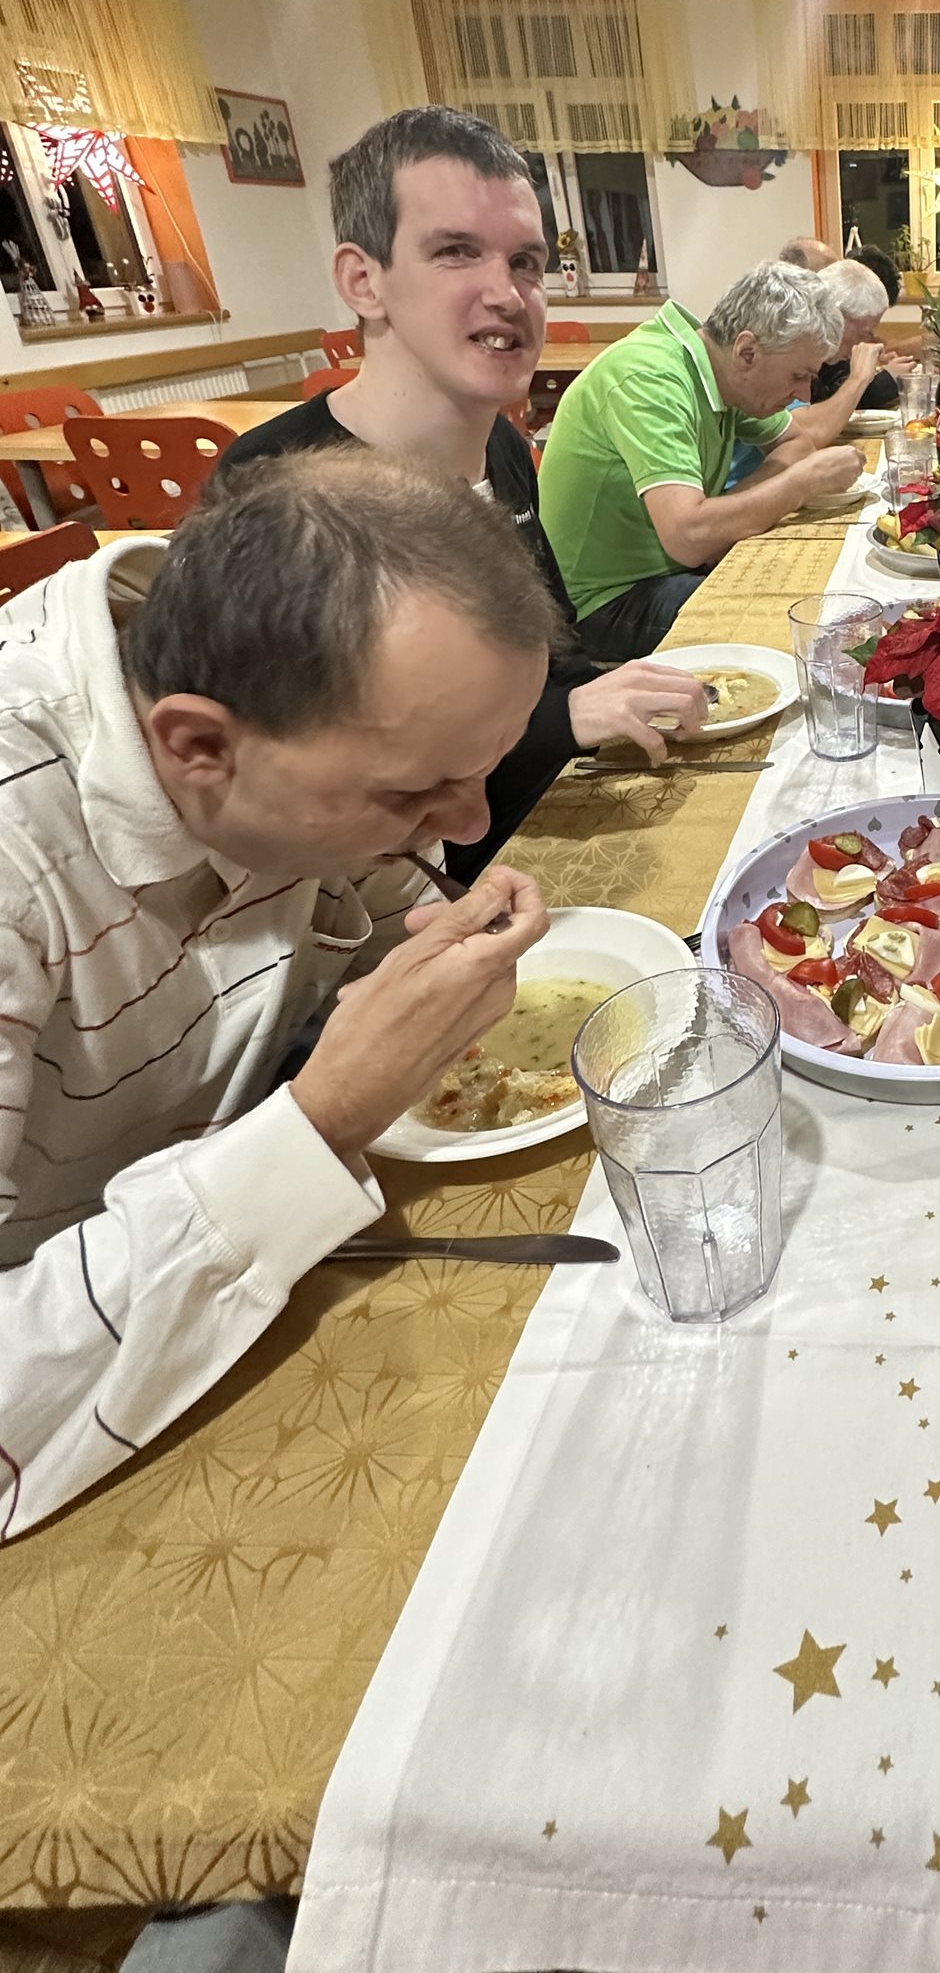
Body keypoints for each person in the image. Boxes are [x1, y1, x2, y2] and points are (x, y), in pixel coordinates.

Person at [0, 455, 556, 1540]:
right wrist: (321, 1121)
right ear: (198, 746)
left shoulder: (284, 713)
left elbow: (391, 915)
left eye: (481, 769)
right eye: (418, 791)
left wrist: (442, 941)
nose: (472, 825)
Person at [227, 108, 709, 879]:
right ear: (363, 281)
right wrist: (565, 719)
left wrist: (606, 693)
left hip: (541, 822)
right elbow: (299, 790)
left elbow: (551, 661)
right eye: (456, 252)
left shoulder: (505, 449)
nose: (508, 293)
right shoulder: (274, 484)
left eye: (526, 262)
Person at [539, 262, 861, 660]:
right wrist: (801, 484)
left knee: (810, 590)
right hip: (596, 605)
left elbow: (796, 444)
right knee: (788, 623)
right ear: (747, 352)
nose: (805, 394)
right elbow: (689, 539)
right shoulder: (649, 377)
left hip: (666, 572)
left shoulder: (718, 368)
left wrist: (727, 510)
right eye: (798, 375)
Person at [799, 257, 899, 425]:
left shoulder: (829, 356)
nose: (863, 343)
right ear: (835, 316)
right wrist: (860, 378)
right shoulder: (793, 350)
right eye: (863, 334)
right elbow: (808, 427)